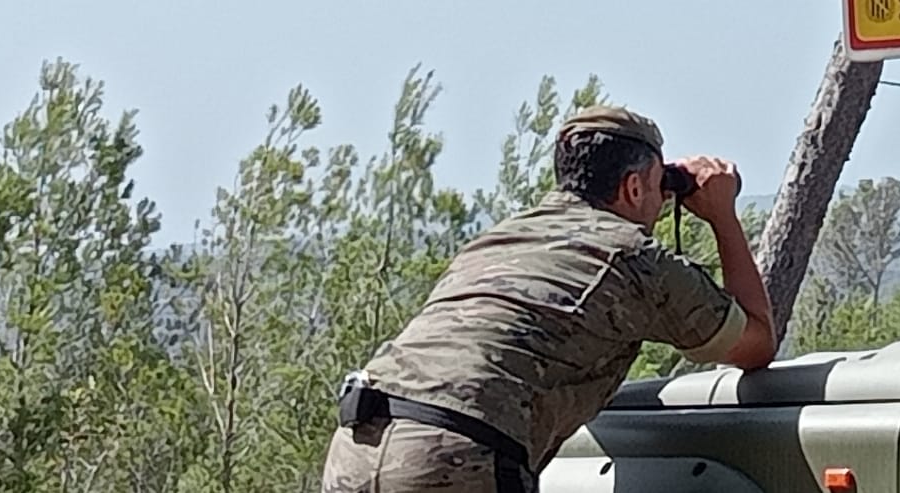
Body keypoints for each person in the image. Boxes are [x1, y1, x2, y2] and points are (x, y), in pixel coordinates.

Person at [322, 104, 776, 493]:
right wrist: (722, 217)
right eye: (659, 187)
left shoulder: (502, 237)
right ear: (634, 187)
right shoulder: (632, 256)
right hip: (455, 454)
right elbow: (756, 342)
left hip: (359, 442)